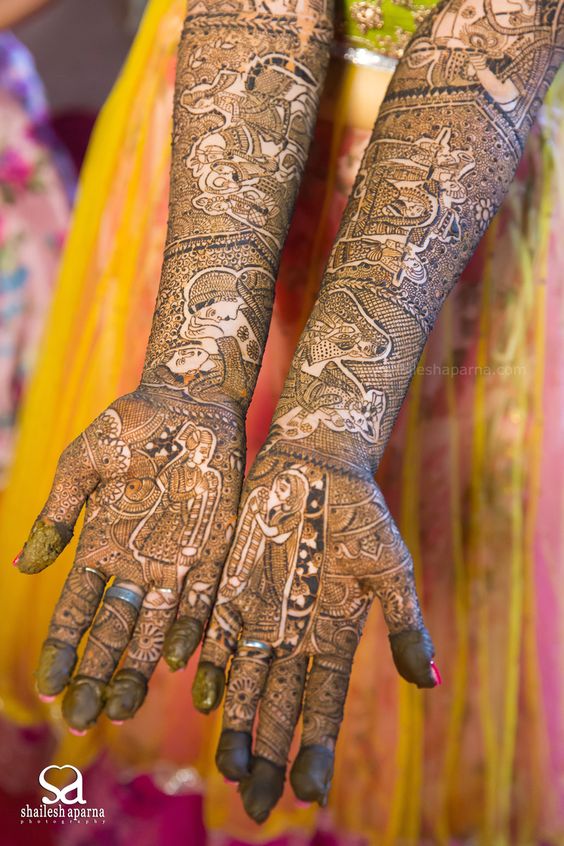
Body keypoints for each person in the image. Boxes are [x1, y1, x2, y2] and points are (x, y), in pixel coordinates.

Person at [2, 0, 564, 843]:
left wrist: (328, 429)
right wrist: (194, 380)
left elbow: (496, 25)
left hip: (456, 193)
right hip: (218, 139)